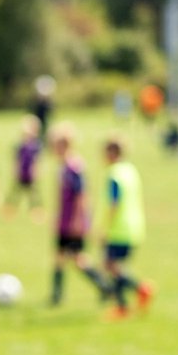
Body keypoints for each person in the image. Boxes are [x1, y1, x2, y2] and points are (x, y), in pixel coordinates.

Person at [48, 124, 110, 307]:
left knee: (79, 260)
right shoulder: (63, 167)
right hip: (64, 222)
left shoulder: (75, 167)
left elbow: (81, 196)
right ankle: (56, 296)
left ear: (65, 145)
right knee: (59, 258)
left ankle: (104, 286)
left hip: (73, 223)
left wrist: (77, 220)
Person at [100, 136, 154, 318]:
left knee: (110, 265)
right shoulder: (130, 170)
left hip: (119, 228)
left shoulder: (114, 174)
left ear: (112, 152)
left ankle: (137, 292)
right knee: (116, 267)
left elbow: (114, 203)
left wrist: (104, 227)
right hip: (135, 226)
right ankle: (123, 304)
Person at [4, 114, 42, 216]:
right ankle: (10, 208)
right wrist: (15, 169)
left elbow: (36, 161)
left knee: (33, 194)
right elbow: (16, 159)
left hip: (29, 174)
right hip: (21, 172)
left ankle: (36, 210)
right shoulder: (20, 145)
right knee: (15, 192)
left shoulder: (36, 145)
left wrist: (36, 171)